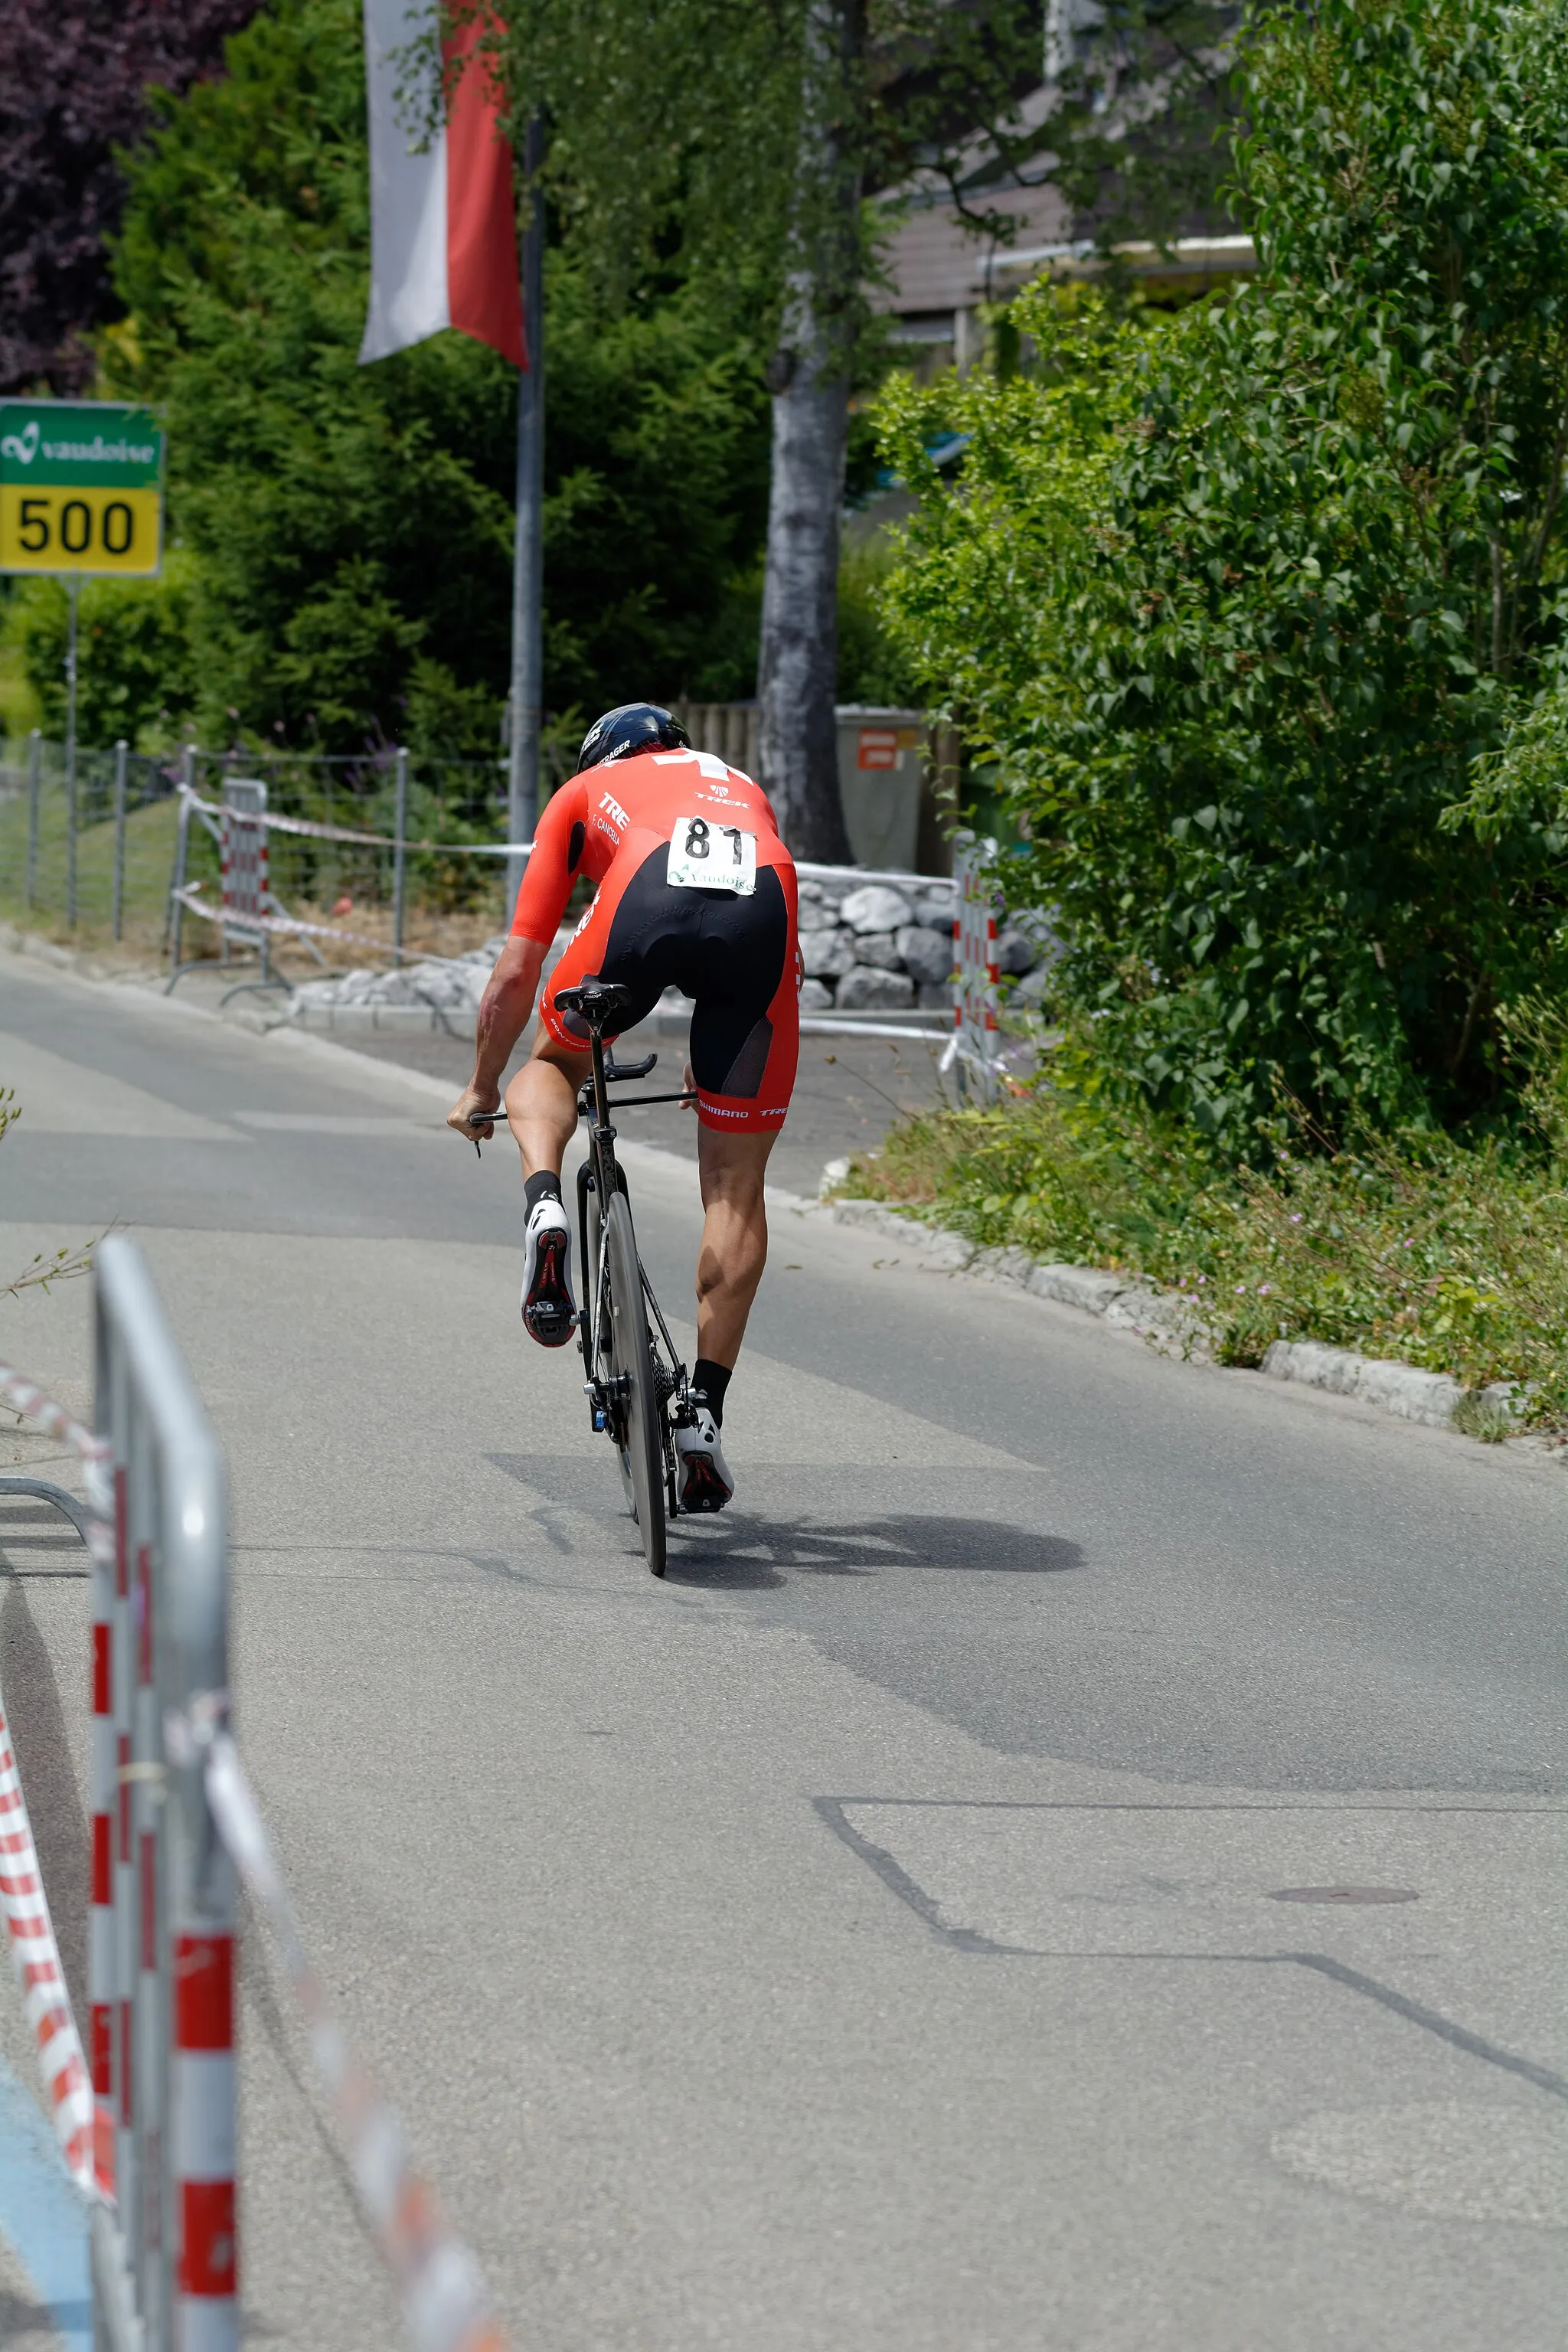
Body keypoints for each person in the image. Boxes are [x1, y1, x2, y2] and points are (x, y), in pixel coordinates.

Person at [446, 702, 801, 1513]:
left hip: (642, 898)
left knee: (554, 1065)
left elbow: (516, 965)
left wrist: (479, 1088)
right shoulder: (739, 782)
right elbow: (776, 946)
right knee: (735, 1190)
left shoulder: (585, 791)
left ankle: (544, 1204)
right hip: (761, 918)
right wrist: (717, 1053)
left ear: (598, 755)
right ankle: (702, 1413)